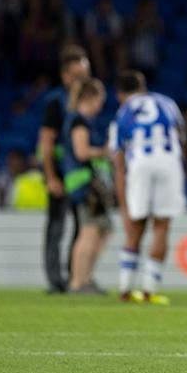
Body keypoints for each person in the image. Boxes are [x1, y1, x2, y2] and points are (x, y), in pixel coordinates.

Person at [110, 71, 186, 305]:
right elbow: (182, 139)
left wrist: (123, 204)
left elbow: (118, 158)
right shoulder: (168, 103)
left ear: (120, 95)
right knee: (162, 226)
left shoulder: (123, 112)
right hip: (169, 161)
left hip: (140, 163)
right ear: (143, 88)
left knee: (135, 227)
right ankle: (148, 291)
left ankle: (125, 288)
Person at [38, 46, 90, 293]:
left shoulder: (89, 101)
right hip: (60, 171)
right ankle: (55, 281)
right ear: (65, 76)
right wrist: (50, 176)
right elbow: (47, 141)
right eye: (78, 75)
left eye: (85, 74)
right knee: (57, 226)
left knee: (83, 227)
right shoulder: (55, 102)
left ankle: (76, 277)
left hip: (81, 173)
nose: (83, 79)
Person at [62, 79, 112, 294]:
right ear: (89, 98)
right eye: (99, 100)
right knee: (89, 230)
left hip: (88, 181)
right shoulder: (79, 122)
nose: (100, 106)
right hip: (84, 182)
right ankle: (77, 281)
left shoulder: (81, 121)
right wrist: (105, 151)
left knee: (103, 229)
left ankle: (86, 278)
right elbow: (81, 152)